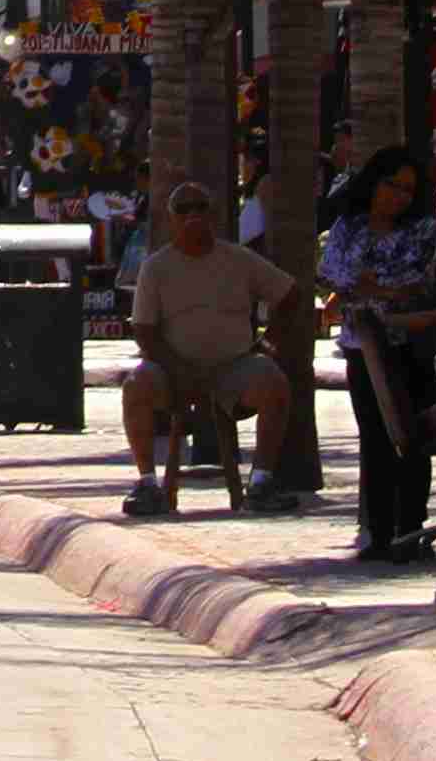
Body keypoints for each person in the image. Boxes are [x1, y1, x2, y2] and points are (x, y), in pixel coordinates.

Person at [118, 177, 311, 520]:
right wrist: (179, 368)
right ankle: (147, 484)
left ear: (214, 216)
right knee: (136, 384)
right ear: (171, 218)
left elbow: (290, 294)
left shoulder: (239, 260)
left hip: (233, 368)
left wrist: (266, 343)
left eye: (200, 208)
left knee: (273, 381)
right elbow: (144, 332)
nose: (193, 215)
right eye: (183, 209)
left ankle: (262, 482)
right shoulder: (156, 268)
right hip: (172, 373)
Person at [320, 152, 436, 563]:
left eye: (407, 190)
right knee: (375, 439)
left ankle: (411, 530)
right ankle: (378, 533)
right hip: (361, 345)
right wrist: (370, 288)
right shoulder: (349, 225)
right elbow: (334, 272)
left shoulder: (421, 230)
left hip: (409, 342)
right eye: (391, 185)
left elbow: (415, 281)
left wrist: (369, 287)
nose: (397, 196)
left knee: (412, 437)